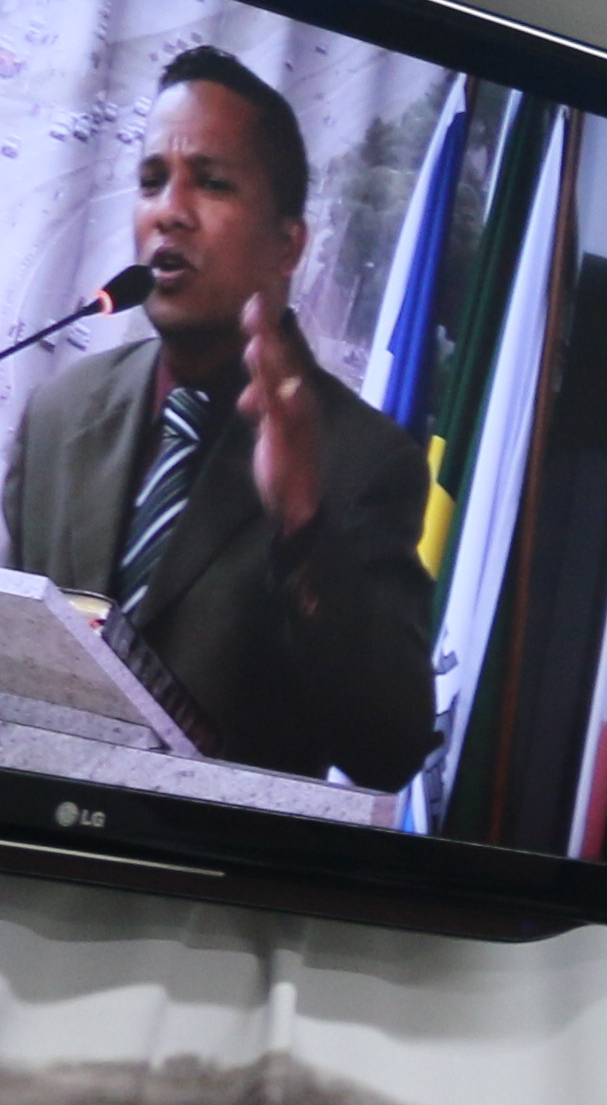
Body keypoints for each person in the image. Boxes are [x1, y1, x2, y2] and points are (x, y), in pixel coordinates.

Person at [0, 49, 441, 786]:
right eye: (152, 181)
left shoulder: (362, 459)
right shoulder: (59, 412)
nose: (168, 211)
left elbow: (387, 753)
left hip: (198, 862)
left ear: (288, 244)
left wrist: (302, 522)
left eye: (211, 183)